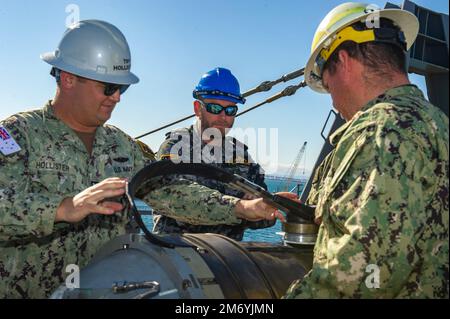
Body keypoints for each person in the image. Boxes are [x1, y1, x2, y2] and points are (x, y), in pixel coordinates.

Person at [0, 20, 285, 299]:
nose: (117, 98)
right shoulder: (17, 135)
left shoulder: (121, 144)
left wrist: (241, 207)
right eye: (109, 87)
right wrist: (62, 208)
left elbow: (172, 192)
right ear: (69, 78)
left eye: (121, 89)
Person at [284, 3, 449, 298]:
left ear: (344, 61)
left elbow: (360, 273)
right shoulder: (439, 124)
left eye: (326, 81)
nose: (332, 98)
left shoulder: (379, 131)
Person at [153, 67, 275, 241]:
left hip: (225, 258)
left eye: (230, 110)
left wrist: (270, 206)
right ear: (197, 108)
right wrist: (241, 207)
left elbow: (260, 217)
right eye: (215, 108)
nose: (223, 117)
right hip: (177, 254)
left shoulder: (240, 155)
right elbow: (174, 200)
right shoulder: (175, 147)